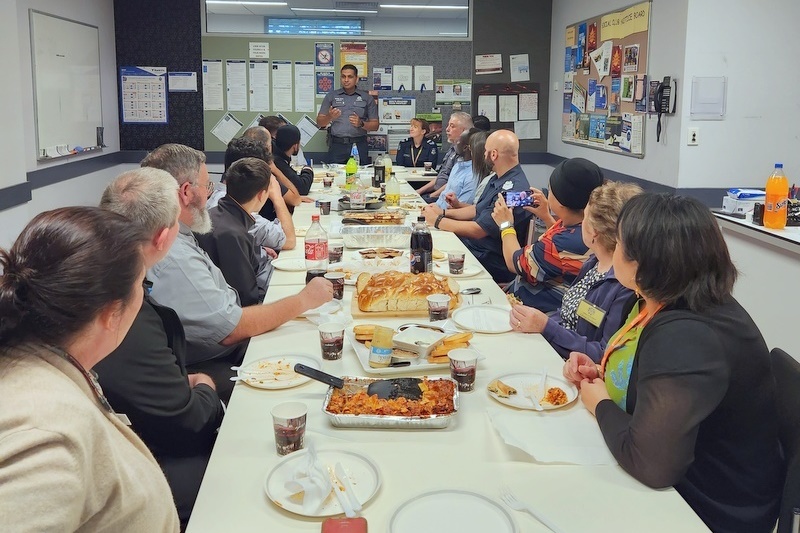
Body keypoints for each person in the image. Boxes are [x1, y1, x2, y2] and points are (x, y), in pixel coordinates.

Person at [565, 193, 784, 533]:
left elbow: (652, 464)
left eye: (621, 243)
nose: (615, 250)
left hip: (709, 507)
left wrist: (602, 403)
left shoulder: (688, 336)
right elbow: (656, 380)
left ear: (646, 264)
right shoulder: (667, 301)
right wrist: (606, 373)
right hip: (682, 468)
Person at [0, 207, 179, 531]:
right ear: (112, 313)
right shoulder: (45, 433)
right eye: (143, 284)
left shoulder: (36, 357)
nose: (143, 294)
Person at [96, 168, 223, 526]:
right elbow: (185, 421)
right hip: (137, 461)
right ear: (165, 236)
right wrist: (204, 388)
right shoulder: (122, 307)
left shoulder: (104, 278)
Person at [141, 143, 333, 367]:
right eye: (206, 186)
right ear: (186, 192)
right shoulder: (174, 255)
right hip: (220, 358)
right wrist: (304, 300)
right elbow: (231, 328)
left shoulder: (183, 233)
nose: (209, 193)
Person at [503, 181, 642, 362]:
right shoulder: (593, 264)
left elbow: (603, 354)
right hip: (552, 347)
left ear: (594, 233)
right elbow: (565, 314)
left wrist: (545, 326)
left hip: (571, 364)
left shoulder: (623, 285)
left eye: (585, 218)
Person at [493, 158, 605, 312]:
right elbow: (561, 254)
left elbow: (515, 262)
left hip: (540, 313)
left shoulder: (564, 242)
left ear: (560, 200)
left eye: (550, 189)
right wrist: (546, 216)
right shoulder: (583, 227)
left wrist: (505, 225)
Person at [422, 129, 532, 282]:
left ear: (493, 154)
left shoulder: (517, 191)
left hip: (490, 259)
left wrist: (438, 221)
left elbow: (480, 230)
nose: (483, 155)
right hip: (476, 248)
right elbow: (477, 209)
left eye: (486, 151)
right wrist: (443, 213)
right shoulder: (497, 178)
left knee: (426, 261)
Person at [197, 158, 271, 307]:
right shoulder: (233, 234)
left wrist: (256, 250)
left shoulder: (214, 214)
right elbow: (247, 297)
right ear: (261, 195)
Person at [316, 64, 379, 164]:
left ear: (356, 79)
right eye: (343, 76)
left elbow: (375, 125)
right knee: (336, 177)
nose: (346, 80)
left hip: (358, 145)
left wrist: (361, 124)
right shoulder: (331, 96)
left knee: (360, 176)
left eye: (350, 77)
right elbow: (320, 122)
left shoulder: (367, 98)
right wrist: (330, 117)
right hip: (337, 145)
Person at [240, 125, 301, 213]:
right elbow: (296, 199)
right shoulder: (264, 172)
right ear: (268, 148)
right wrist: (275, 170)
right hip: (265, 222)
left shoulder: (235, 169)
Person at [416, 111, 473, 202]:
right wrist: (419, 191)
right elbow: (441, 176)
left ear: (464, 131)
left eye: (452, 126)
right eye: (448, 125)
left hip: (445, 197)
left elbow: (452, 184)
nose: (447, 129)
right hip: (437, 193)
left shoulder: (465, 153)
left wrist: (430, 196)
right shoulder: (452, 148)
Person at [434, 128, 479, 210]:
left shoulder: (473, 174)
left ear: (465, 148)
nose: (455, 144)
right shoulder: (457, 165)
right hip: (437, 207)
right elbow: (443, 197)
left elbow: (461, 208)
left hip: (447, 216)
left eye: (458, 142)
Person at [274, 124, 314, 196]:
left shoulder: (277, 156)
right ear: (295, 146)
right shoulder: (277, 162)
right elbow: (302, 188)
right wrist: (307, 169)